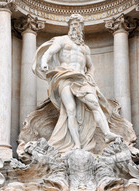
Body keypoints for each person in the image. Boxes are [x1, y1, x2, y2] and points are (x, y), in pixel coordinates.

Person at [33, 14, 118, 153]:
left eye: (77, 24)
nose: (74, 26)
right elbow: (49, 53)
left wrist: (90, 75)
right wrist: (43, 62)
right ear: (69, 26)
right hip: (64, 76)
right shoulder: (62, 40)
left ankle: (107, 133)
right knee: (70, 110)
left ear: (81, 28)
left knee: (95, 103)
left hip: (82, 78)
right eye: (72, 24)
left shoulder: (85, 48)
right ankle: (77, 144)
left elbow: (91, 66)